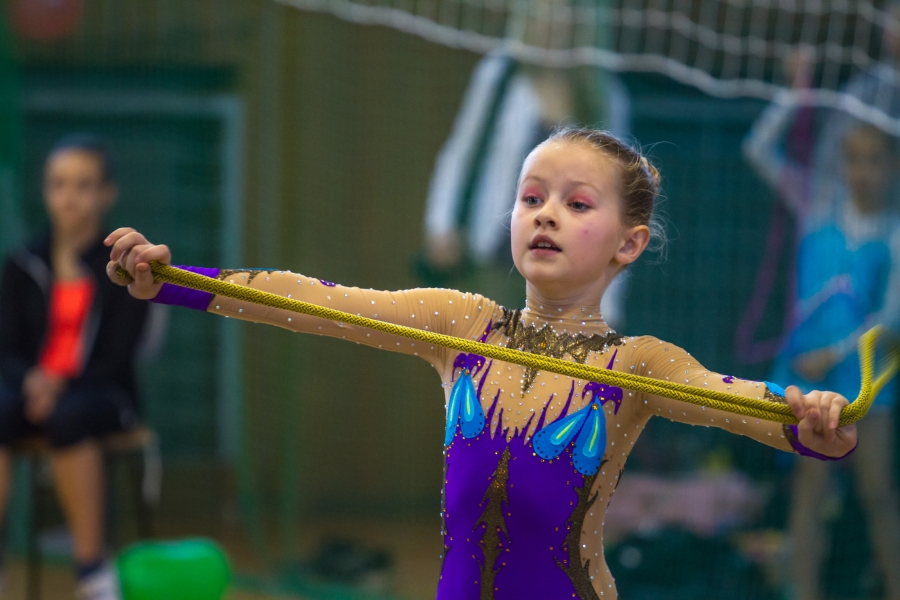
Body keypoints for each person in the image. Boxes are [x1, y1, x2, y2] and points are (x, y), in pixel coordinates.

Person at [108, 126, 857, 599]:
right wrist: (172, 281)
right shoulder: (464, 325)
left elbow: (735, 398)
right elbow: (313, 302)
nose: (546, 213)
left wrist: (809, 420)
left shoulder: (639, 363)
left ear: (629, 243)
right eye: (532, 198)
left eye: (576, 204)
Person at [745, 98, 900, 600]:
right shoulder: (817, 207)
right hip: (810, 373)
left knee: (877, 494)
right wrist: (797, 93)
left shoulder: (894, 231)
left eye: (874, 160)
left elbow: (890, 317)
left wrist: (835, 354)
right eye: (854, 159)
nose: (863, 172)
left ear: (892, 166)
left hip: (864, 377)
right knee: (809, 490)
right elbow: (758, 149)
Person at [0, 134, 150, 600]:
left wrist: (59, 384)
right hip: (31, 389)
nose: (69, 197)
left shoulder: (126, 268)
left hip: (100, 392)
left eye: (83, 185)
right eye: (58, 184)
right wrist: (32, 380)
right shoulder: (23, 263)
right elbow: (7, 347)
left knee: (70, 417)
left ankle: (91, 568)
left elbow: (118, 354)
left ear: (107, 193)